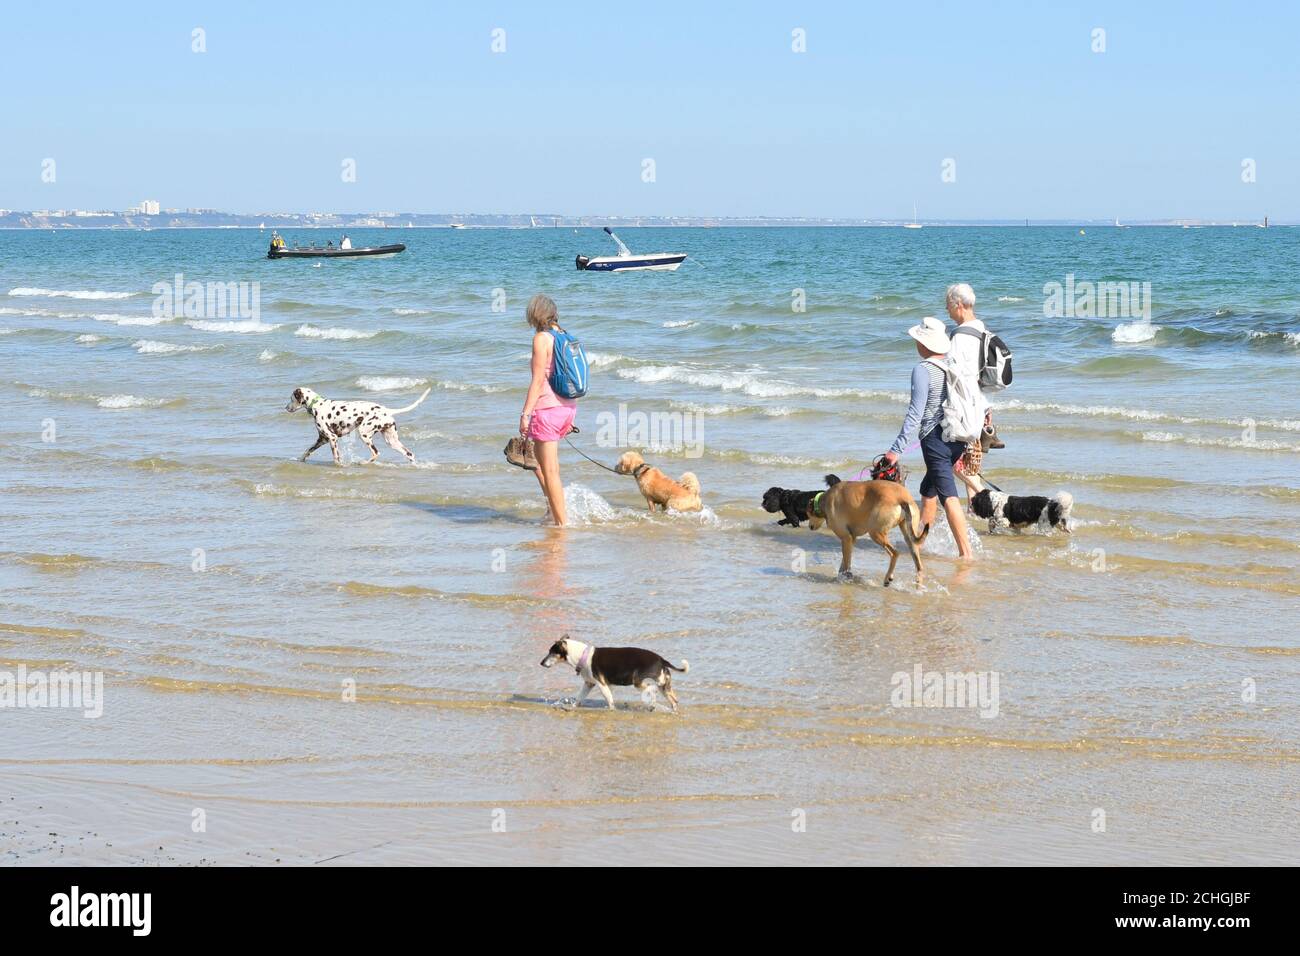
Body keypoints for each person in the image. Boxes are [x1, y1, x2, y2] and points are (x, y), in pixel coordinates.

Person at [882, 317, 974, 560]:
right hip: (957, 437)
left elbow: (916, 413)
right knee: (928, 490)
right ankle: (919, 543)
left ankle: (966, 555)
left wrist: (895, 450)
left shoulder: (923, 370)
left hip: (936, 440)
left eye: (917, 340)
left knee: (949, 496)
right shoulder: (953, 365)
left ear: (924, 343)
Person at [520, 294, 578, 527]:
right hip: (568, 408)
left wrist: (525, 414)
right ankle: (551, 508)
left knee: (550, 471)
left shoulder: (541, 339)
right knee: (534, 460)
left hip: (547, 410)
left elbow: (536, 382)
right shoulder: (565, 336)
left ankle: (562, 526)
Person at [944, 283, 1003, 449]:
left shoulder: (959, 337)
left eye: (948, 306)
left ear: (959, 305)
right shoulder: (982, 329)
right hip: (980, 402)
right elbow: (983, 372)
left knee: (952, 457)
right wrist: (987, 407)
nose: (947, 311)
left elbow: (952, 376)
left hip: (963, 407)